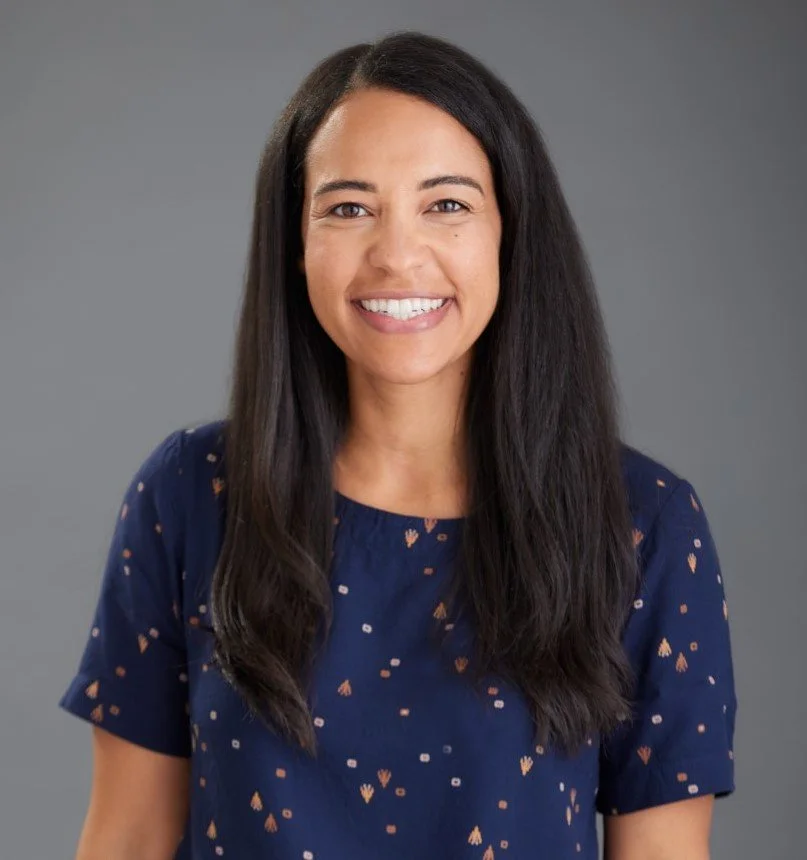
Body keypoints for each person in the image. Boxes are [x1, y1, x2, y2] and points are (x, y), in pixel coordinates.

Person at [59, 30, 737, 860]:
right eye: (348, 208)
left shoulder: (642, 524)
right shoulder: (191, 495)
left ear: (509, 233)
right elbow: (126, 838)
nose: (396, 255)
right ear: (294, 244)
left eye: (445, 204)